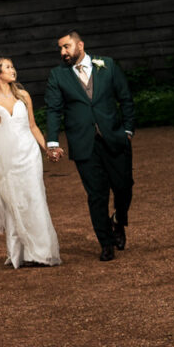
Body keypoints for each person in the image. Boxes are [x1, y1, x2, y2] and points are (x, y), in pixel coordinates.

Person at [44, 30, 137, 261]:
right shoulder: (57, 75)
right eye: (60, 49)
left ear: (80, 45)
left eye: (66, 47)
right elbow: (54, 110)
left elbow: (125, 98)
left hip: (114, 137)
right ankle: (105, 243)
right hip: (83, 143)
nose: (62, 52)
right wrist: (53, 141)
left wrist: (127, 130)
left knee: (124, 186)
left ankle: (118, 221)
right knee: (97, 195)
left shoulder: (107, 65)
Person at [0, 57, 61, 268]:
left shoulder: (23, 96)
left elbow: (33, 126)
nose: (13, 70)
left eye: (13, 66)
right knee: (13, 201)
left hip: (28, 154)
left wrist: (49, 149)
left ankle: (42, 252)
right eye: (8, 67)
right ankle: (20, 252)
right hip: (6, 158)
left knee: (34, 198)